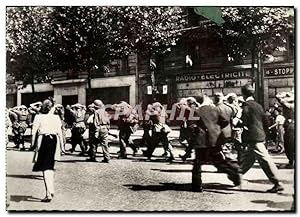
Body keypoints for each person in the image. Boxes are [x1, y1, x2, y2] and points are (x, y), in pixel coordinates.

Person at [238, 84, 284, 193]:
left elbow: (244, 121)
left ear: (243, 94)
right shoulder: (258, 105)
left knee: (264, 159)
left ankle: (278, 182)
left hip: (253, 137)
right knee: (248, 159)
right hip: (260, 135)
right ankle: (237, 177)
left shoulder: (246, 105)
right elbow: (266, 121)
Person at [191, 94, 241, 192]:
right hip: (215, 139)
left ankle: (197, 186)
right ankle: (234, 174)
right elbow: (224, 121)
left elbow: (192, 125)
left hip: (201, 140)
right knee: (219, 160)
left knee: (198, 163)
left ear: (198, 102)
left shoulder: (196, 111)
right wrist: (215, 128)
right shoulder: (215, 109)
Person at [31, 99, 64, 202]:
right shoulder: (56, 118)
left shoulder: (38, 117)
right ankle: (51, 189)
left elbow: (33, 132)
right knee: (50, 167)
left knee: (45, 167)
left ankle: (49, 193)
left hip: (43, 141)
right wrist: (62, 147)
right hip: (54, 141)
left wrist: (33, 145)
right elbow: (59, 133)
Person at [276, 91, 295, 168]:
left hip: (291, 126)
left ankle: (292, 162)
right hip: (289, 125)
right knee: (288, 144)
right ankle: (292, 161)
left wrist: (287, 95)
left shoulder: (290, 105)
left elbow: (279, 97)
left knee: (289, 145)